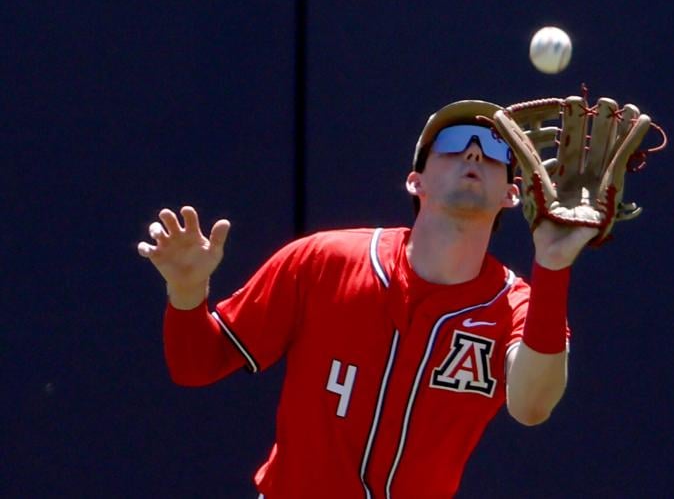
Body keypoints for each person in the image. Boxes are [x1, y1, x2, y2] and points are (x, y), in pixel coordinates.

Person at [138, 100, 598, 498]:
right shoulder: (323, 260)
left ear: (512, 194)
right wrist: (186, 292)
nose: (474, 151)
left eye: (497, 149)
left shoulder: (516, 304)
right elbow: (195, 364)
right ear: (415, 180)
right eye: (454, 141)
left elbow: (532, 406)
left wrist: (554, 265)